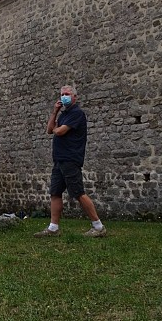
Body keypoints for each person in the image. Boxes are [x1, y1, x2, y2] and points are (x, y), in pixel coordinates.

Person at [35, 85, 107, 238]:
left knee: (78, 193)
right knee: (55, 192)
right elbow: (49, 130)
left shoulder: (77, 113)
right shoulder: (63, 115)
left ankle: (98, 226)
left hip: (70, 159)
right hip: (59, 160)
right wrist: (54, 112)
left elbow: (60, 131)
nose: (63, 97)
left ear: (75, 97)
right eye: (62, 94)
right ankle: (53, 228)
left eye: (67, 94)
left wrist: (56, 128)